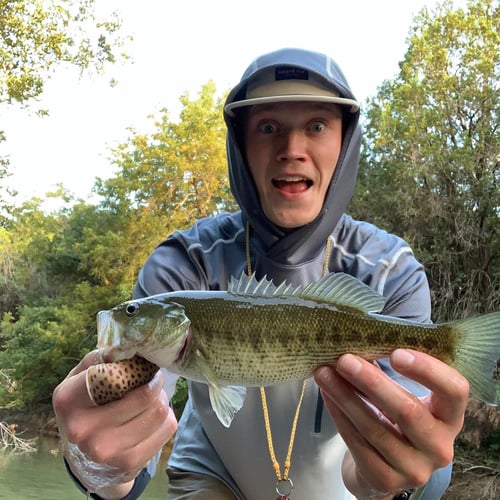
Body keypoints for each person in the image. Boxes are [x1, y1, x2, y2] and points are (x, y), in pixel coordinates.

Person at [52, 48, 469, 500]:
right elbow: (132, 456)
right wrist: (97, 467)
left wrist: (395, 476)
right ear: (241, 147)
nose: (292, 149)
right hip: (210, 482)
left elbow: (411, 438)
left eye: (316, 126)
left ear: (345, 143)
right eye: (268, 127)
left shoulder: (390, 270)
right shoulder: (183, 264)